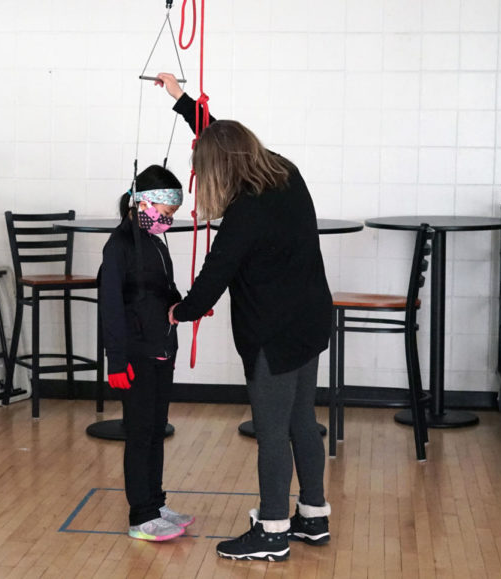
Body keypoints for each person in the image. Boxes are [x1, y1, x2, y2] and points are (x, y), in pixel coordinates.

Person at [155, 72, 332, 562]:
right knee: (301, 421)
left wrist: (180, 311)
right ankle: (313, 518)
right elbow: (222, 138)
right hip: (312, 322)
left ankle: (272, 530)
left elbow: (214, 274)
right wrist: (182, 101)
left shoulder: (245, 214)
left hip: (273, 336)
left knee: (273, 430)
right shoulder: (283, 171)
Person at [98, 164, 194, 542]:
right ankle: (141, 515)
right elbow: (111, 308)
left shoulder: (154, 241)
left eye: (171, 216)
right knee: (139, 434)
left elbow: (160, 291)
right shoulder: (118, 245)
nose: (167, 221)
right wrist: (116, 361)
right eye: (166, 213)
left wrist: (187, 307)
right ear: (144, 202)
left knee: (156, 431)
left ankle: (155, 503)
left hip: (160, 350)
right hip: (135, 357)